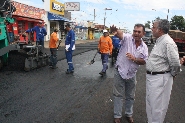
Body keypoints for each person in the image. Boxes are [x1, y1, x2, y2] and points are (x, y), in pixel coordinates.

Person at [146, 19, 181, 123]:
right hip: (153, 78)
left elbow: (175, 64)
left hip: (160, 79)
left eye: (153, 27)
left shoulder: (168, 42)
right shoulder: (159, 40)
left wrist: (172, 75)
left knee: (158, 108)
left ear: (160, 30)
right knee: (151, 105)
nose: (152, 29)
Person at [113, 24, 148, 123]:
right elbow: (120, 34)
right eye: (135, 31)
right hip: (120, 71)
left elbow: (144, 61)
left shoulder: (144, 47)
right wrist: (115, 31)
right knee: (118, 95)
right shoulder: (127, 38)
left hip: (132, 74)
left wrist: (134, 59)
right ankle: (117, 116)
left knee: (130, 96)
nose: (136, 33)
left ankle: (129, 114)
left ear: (143, 34)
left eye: (138, 32)